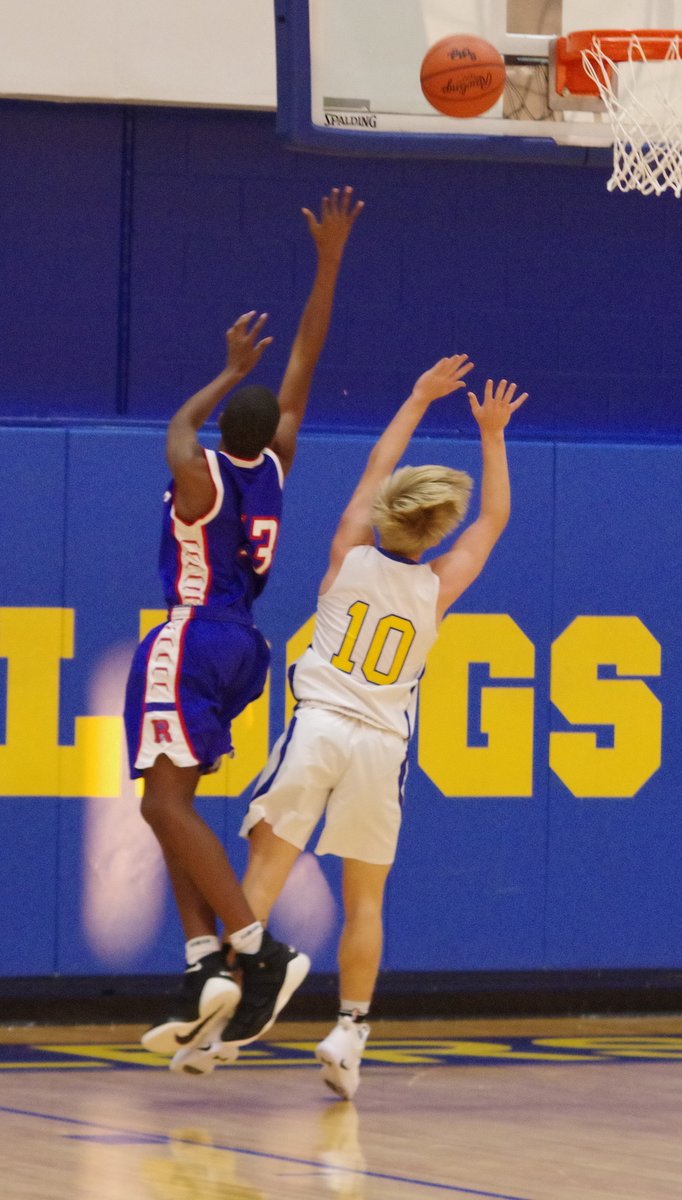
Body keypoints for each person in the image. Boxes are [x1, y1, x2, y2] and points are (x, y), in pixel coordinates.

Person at [180, 353, 527, 1089]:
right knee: (365, 900)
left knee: (262, 877)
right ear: (435, 531)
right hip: (381, 746)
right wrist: (492, 435)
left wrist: (418, 396)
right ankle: (349, 1034)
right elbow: (494, 518)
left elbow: (378, 464)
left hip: (319, 729)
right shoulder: (438, 584)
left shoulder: (348, 552)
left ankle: (227, 1025)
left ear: (385, 515)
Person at [123, 186, 363, 1064]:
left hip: (189, 636)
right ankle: (203, 970)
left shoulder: (201, 472)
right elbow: (305, 357)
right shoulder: (277, 463)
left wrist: (226, 369)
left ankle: (258, 950)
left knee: (164, 803)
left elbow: (177, 425)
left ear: (228, 424)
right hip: (243, 646)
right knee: (166, 805)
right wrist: (329, 263)